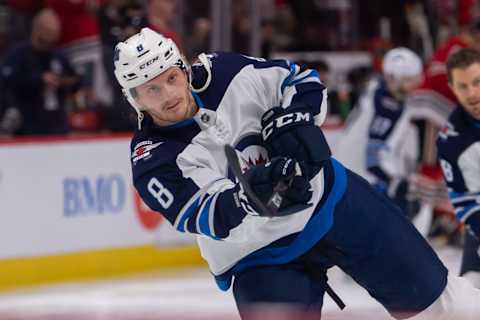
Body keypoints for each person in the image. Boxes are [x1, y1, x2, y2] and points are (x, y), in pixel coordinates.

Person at [113, 28, 480, 319]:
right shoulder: (152, 158)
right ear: (135, 100)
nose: (168, 95)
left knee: (444, 309)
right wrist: (246, 198)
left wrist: (295, 117)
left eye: (171, 78)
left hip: (334, 204)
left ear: (182, 67)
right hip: (260, 256)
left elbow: (301, 81)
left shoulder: (224, 71)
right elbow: (198, 212)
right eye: (151, 90)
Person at [437, 48, 480, 288]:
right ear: (452, 88)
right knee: (471, 293)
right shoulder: (451, 140)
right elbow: (466, 201)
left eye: (477, 82)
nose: (472, 93)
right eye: (463, 86)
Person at [0, 8, 78, 135]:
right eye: (47, 35)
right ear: (37, 30)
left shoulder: (59, 56)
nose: (50, 43)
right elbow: (8, 82)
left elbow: (74, 80)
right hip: (27, 126)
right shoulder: (18, 55)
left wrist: (63, 82)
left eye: (53, 38)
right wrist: (38, 80)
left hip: (58, 125)